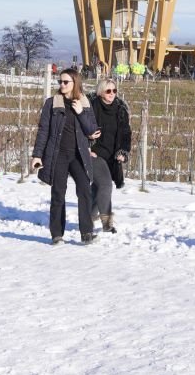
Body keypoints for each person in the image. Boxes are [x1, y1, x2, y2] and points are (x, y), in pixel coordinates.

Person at [30, 67, 102, 245]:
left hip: (79, 155)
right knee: (58, 193)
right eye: (60, 81)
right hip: (58, 154)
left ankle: (86, 233)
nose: (61, 85)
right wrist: (37, 155)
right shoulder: (52, 103)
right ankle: (57, 234)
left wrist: (80, 113)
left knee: (84, 191)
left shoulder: (84, 103)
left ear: (74, 83)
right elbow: (43, 130)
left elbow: (92, 130)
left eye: (65, 82)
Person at [87, 79, 132, 234]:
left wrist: (123, 152)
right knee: (106, 184)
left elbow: (126, 133)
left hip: (111, 155)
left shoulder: (120, 110)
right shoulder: (91, 107)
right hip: (94, 153)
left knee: (98, 188)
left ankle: (87, 216)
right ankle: (107, 223)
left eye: (114, 90)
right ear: (101, 92)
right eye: (108, 91)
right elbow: (80, 128)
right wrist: (88, 144)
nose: (112, 93)